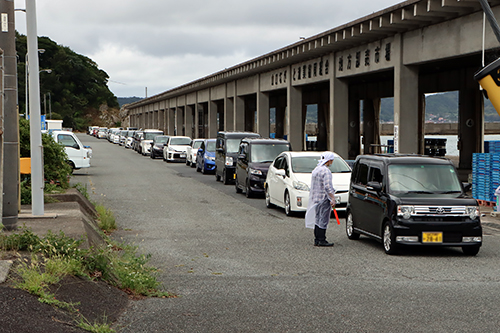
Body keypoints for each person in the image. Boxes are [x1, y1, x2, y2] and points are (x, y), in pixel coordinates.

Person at [305, 152, 337, 247]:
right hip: (324, 198)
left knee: (317, 218)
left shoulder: (316, 169)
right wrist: (332, 198)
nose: (332, 161)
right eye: (332, 160)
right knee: (323, 219)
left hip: (316, 198)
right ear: (329, 160)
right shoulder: (326, 171)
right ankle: (322, 239)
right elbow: (328, 187)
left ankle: (317, 239)